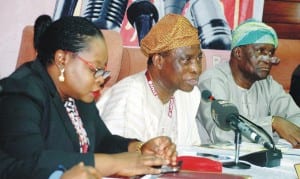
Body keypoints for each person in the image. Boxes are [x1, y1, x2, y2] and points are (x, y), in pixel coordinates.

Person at [0, 15, 177, 179]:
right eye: (95, 69)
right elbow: (31, 162)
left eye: (103, 71)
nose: (101, 79)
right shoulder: (20, 92)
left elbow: (103, 141)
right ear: (62, 59)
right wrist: (115, 163)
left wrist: (139, 148)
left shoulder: (77, 94)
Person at [96, 13, 208, 145]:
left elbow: (192, 150)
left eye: (199, 58)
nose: (196, 69)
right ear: (158, 61)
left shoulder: (189, 96)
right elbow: (120, 157)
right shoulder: (129, 96)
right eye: (186, 59)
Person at [197, 19, 300, 148]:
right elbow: (221, 134)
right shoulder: (212, 81)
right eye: (260, 51)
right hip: (217, 162)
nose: (267, 60)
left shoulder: (267, 84)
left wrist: (282, 127)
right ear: (238, 53)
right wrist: (272, 124)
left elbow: (296, 116)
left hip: (258, 162)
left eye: (270, 53)